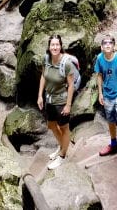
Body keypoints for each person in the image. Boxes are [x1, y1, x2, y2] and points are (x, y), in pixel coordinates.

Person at [93, 34, 117, 171]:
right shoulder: (99, 58)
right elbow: (99, 76)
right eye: (105, 43)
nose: (108, 45)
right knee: (110, 120)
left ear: (114, 46)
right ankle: (114, 144)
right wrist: (100, 93)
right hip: (107, 94)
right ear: (101, 47)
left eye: (110, 43)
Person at [36, 34, 75, 170]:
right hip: (49, 99)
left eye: (57, 44)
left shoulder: (67, 64)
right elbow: (43, 76)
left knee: (64, 128)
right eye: (52, 45)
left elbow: (71, 85)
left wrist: (68, 105)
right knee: (51, 125)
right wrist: (40, 95)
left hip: (62, 101)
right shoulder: (46, 59)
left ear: (60, 46)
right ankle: (62, 147)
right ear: (49, 46)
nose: (55, 47)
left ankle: (63, 156)